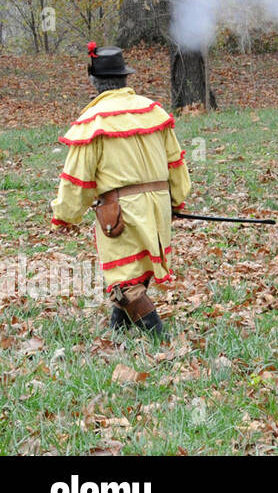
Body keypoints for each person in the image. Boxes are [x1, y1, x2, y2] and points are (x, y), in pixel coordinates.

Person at [49, 43, 191, 338]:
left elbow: (78, 178)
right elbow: (175, 162)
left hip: (121, 213)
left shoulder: (95, 121)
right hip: (158, 206)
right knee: (135, 269)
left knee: (125, 283)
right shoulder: (152, 111)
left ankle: (159, 339)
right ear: (125, 77)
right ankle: (118, 331)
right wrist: (177, 200)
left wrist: (64, 215)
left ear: (93, 81)